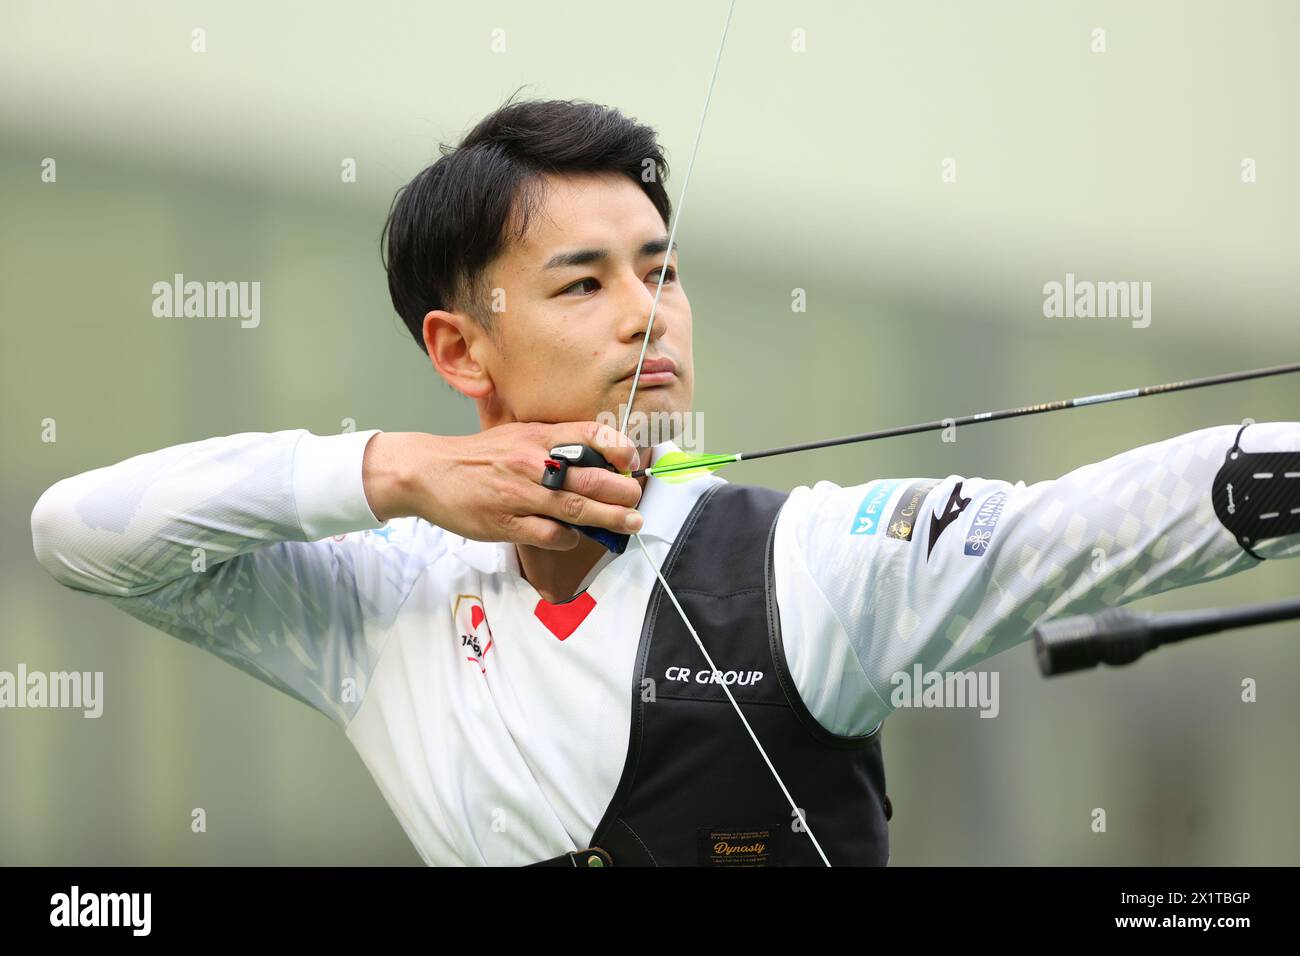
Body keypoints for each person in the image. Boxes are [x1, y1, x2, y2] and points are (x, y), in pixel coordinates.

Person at [30, 98, 1300, 866]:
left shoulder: (809, 563)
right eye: (585, 281)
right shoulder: (377, 598)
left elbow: (1089, 523)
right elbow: (76, 531)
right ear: (460, 349)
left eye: (663, 269)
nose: (649, 313)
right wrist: (398, 470)